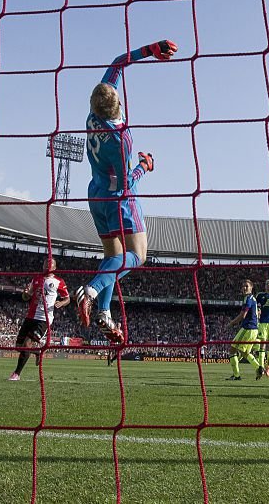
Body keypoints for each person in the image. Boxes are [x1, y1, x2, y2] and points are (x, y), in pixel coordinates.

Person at [74, 39, 178, 344]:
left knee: (113, 256)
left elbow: (118, 62)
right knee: (138, 255)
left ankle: (104, 312)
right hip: (119, 198)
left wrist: (149, 50)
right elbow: (125, 183)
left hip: (95, 195)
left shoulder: (93, 115)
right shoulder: (122, 140)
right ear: (117, 101)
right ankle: (91, 291)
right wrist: (144, 166)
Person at [9, 258, 68, 381]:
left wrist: (61, 303)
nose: (47, 264)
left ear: (55, 267)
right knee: (18, 346)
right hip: (30, 316)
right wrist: (25, 294)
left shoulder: (58, 282)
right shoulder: (36, 279)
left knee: (26, 344)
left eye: (50, 263)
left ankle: (16, 374)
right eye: (46, 262)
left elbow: (67, 298)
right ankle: (37, 352)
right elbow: (26, 297)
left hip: (44, 319)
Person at [226, 280, 261, 381]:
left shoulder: (248, 298)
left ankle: (236, 375)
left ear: (251, 288)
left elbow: (243, 315)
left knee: (232, 349)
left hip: (248, 328)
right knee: (244, 352)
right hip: (253, 329)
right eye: (243, 286)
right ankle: (258, 367)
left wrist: (232, 323)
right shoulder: (253, 299)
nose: (244, 288)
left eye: (247, 286)